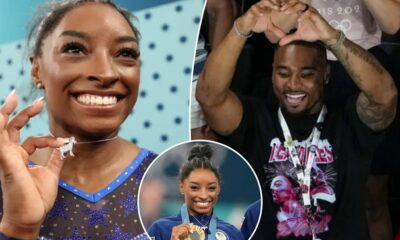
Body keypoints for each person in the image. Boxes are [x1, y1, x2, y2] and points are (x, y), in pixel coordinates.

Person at [195, 0, 397, 239]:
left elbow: (385, 96)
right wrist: (241, 28)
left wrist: (333, 38)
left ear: (326, 75)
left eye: (306, 74)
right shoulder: (255, 120)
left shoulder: (348, 122)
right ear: (271, 73)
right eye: (283, 73)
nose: (293, 84)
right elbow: (208, 97)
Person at [0, 0, 160, 238]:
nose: (106, 73)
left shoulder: (174, 182)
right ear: (37, 70)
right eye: (75, 49)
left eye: (125, 53)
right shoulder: (6, 179)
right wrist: (19, 227)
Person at [147, 144, 244, 240]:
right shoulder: (160, 229)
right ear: (182, 187)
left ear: (218, 189)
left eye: (211, 188)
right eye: (194, 188)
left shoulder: (233, 233)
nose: (203, 195)